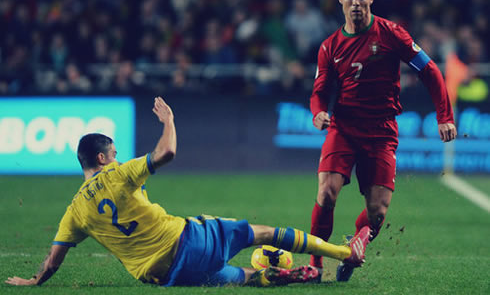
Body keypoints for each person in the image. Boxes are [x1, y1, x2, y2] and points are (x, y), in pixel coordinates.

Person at [6, 97, 370, 288]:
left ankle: (280, 277)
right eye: (113, 153)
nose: (116, 157)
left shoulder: (74, 212)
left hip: (164, 276)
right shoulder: (118, 174)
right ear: (103, 158)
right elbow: (167, 153)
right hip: (186, 241)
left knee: (239, 277)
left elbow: (53, 261)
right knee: (256, 233)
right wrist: (169, 121)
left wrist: (34, 280)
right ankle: (343, 253)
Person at [309, 0, 457, 282]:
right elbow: (321, 90)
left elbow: (429, 70)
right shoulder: (329, 47)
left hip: (381, 132)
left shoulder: (392, 34)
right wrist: (318, 112)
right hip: (344, 129)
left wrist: (444, 115)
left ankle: (353, 249)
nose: (356, 2)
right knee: (326, 193)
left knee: (377, 213)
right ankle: (315, 265)